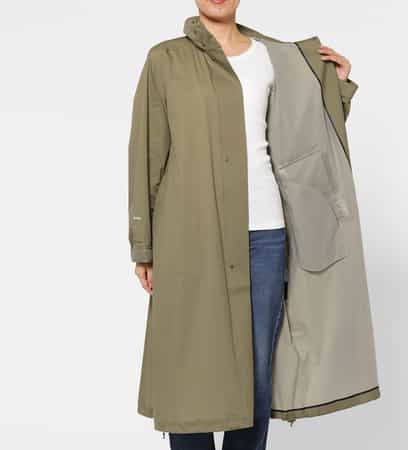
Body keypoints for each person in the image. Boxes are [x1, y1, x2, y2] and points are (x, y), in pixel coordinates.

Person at [128, 1, 380, 449]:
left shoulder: (277, 57)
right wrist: (143, 245)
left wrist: (337, 88)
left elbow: (307, 135)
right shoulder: (165, 60)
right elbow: (147, 154)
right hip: (191, 235)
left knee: (256, 372)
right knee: (189, 368)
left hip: (266, 235)